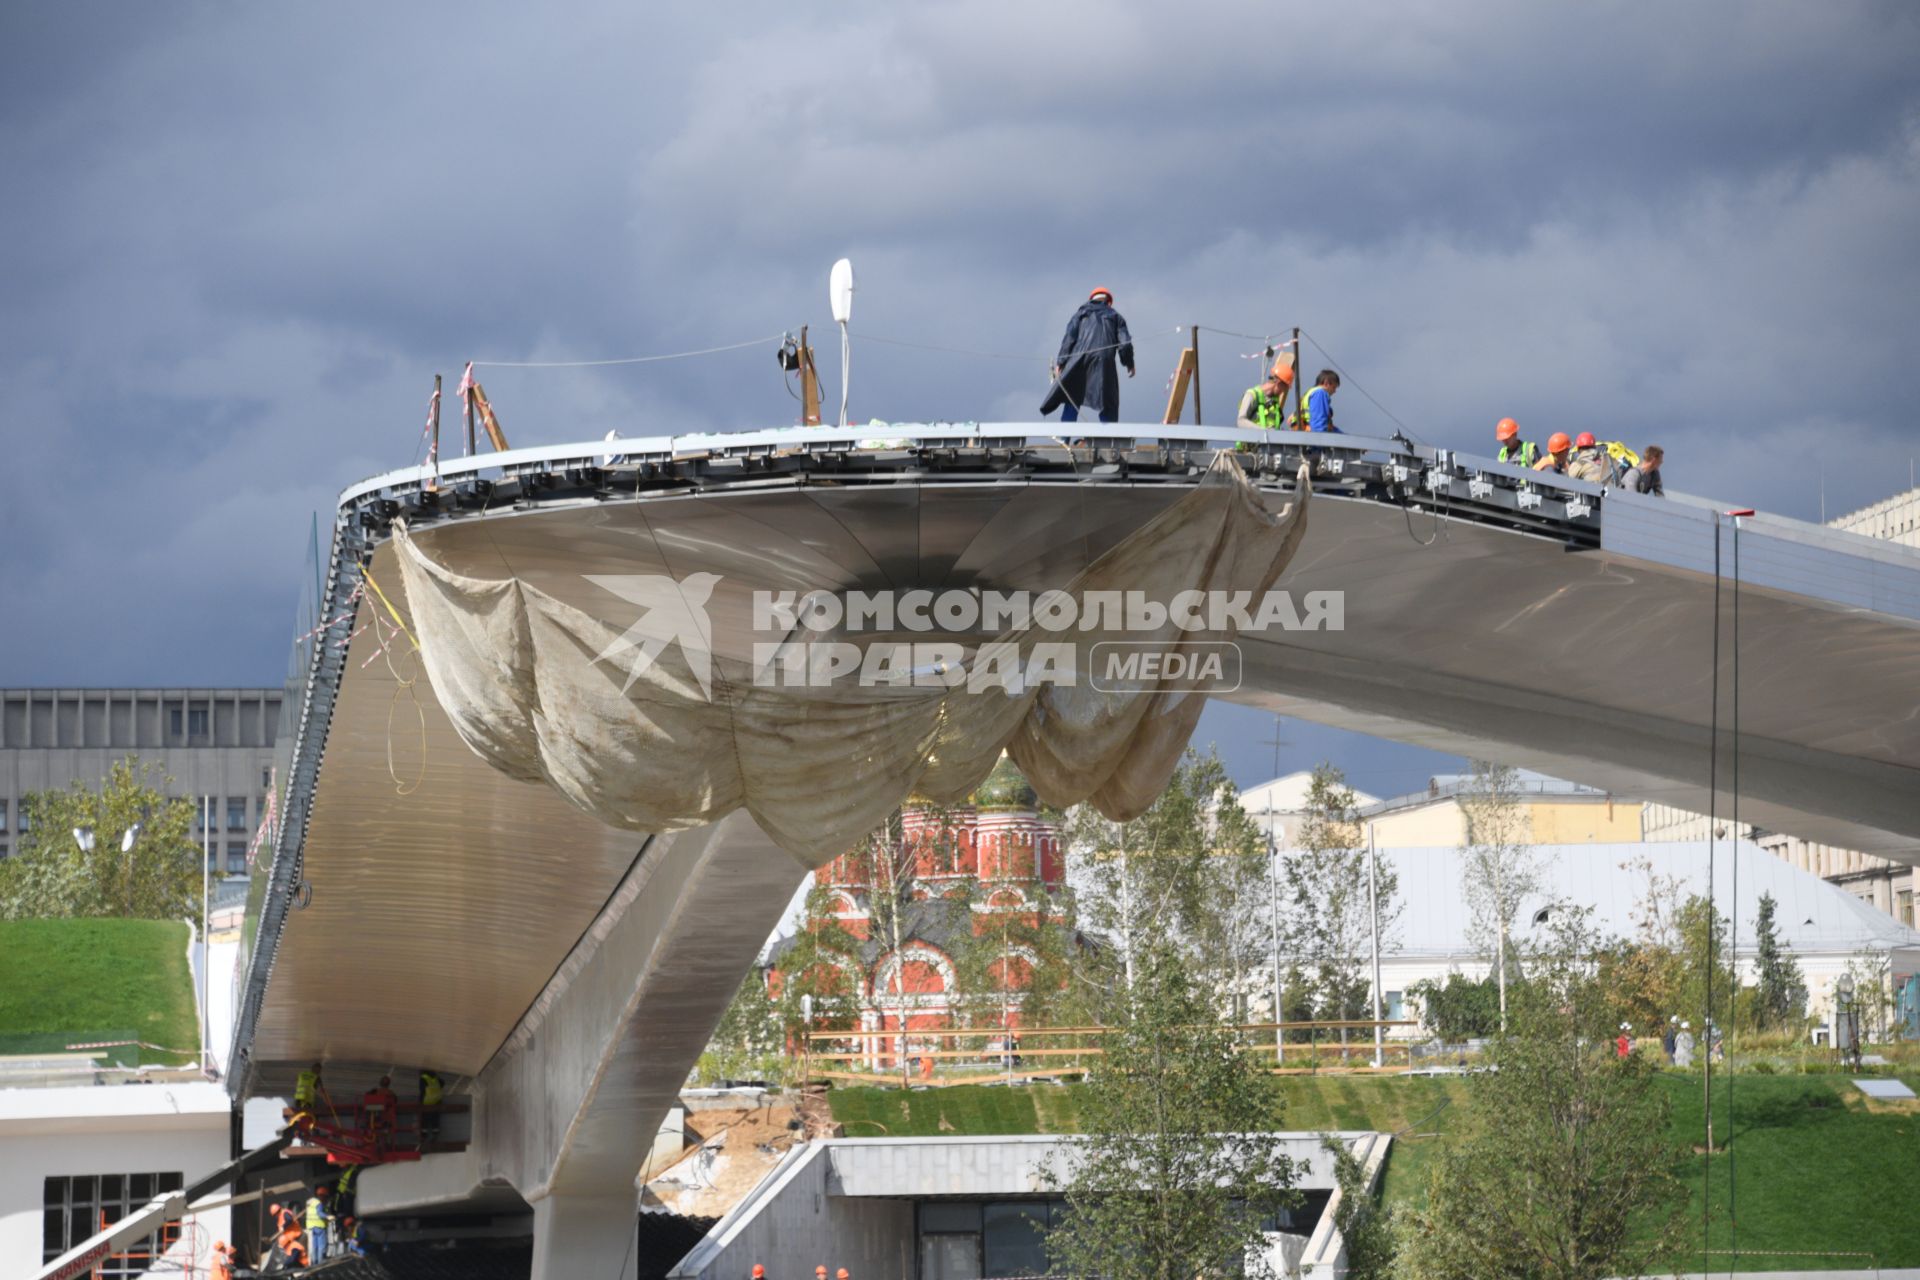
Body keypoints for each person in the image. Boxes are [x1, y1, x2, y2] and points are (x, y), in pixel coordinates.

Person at [1041, 288, 1134, 424]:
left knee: (1072, 395)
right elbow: (1125, 344)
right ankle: (1108, 438)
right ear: (1108, 302)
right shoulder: (1116, 317)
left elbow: (1069, 339)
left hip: (1079, 359)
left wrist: (1061, 362)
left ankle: (1064, 436)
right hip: (1104, 361)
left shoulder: (1080, 315)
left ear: (1092, 299)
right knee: (1107, 398)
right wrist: (1129, 363)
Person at [363, 1075, 400, 1150]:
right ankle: (384, 1144)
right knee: (385, 1132)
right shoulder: (391, 1093)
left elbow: (368, 1101)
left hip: (375, 1118)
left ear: (380, 1083)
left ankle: (377, 1143)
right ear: (388, 1084)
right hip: (387, 1118)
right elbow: (395, 1102)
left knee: (375, 1131)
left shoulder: (375, 1092)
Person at [304, 1186, 332, 1262]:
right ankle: (320, 1262)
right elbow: (319, 1213)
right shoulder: (318, 1203)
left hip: (311, 1226)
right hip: (319, 1226)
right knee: (321, 1246)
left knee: (314, 1246)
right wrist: (328, 1217)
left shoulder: (310, 1202)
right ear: (321, 1195)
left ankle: (314, 1262)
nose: (325, 1199)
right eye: (325, 1197)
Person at [419, 1067, 445, 1145]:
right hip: (436, 1101)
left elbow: (422, 1090)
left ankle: (424, 1136)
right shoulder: (435, 1078)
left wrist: (420, 1101)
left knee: (425, 1119)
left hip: (427, 1101)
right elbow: (443, 1083)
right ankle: (435, 1135)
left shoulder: (423, 1078)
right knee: (435, 1119)